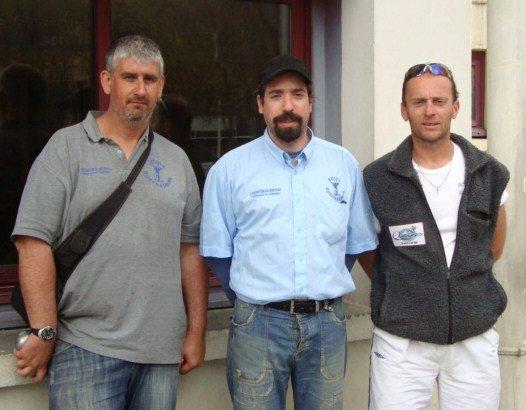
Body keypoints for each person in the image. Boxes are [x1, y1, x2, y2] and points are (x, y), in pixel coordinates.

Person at [12, 35, 208, 409]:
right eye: (129, 77)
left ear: (161, 86)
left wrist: (196, 331)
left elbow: (190, 249)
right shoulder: (65, 148)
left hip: (160, 353)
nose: (140, 89)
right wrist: (44, 330)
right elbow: (32, 241)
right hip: (86, 347)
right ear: (106, 81)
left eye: (149, 79)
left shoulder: (177, 160)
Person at [200, 54, 378, 409]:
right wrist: (253, 301)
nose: (287, 106)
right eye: (276, 95)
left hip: (327, 325)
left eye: (297, 95)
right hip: (258, 326)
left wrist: (319, 285)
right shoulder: (230, 170)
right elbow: (218, 253)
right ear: (260, 104)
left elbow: (354, 242)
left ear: (311, 102)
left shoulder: (342, 164)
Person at [363, 63, 509, 409]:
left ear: (455, 107)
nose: (429, 111)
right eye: (419, 102)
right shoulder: (377, 178)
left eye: (439, 101)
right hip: (402, 344)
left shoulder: (489, 173)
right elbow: (368, 253)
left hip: (473, 338)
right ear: (404, 110)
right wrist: (409, 286)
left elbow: (495, 246)